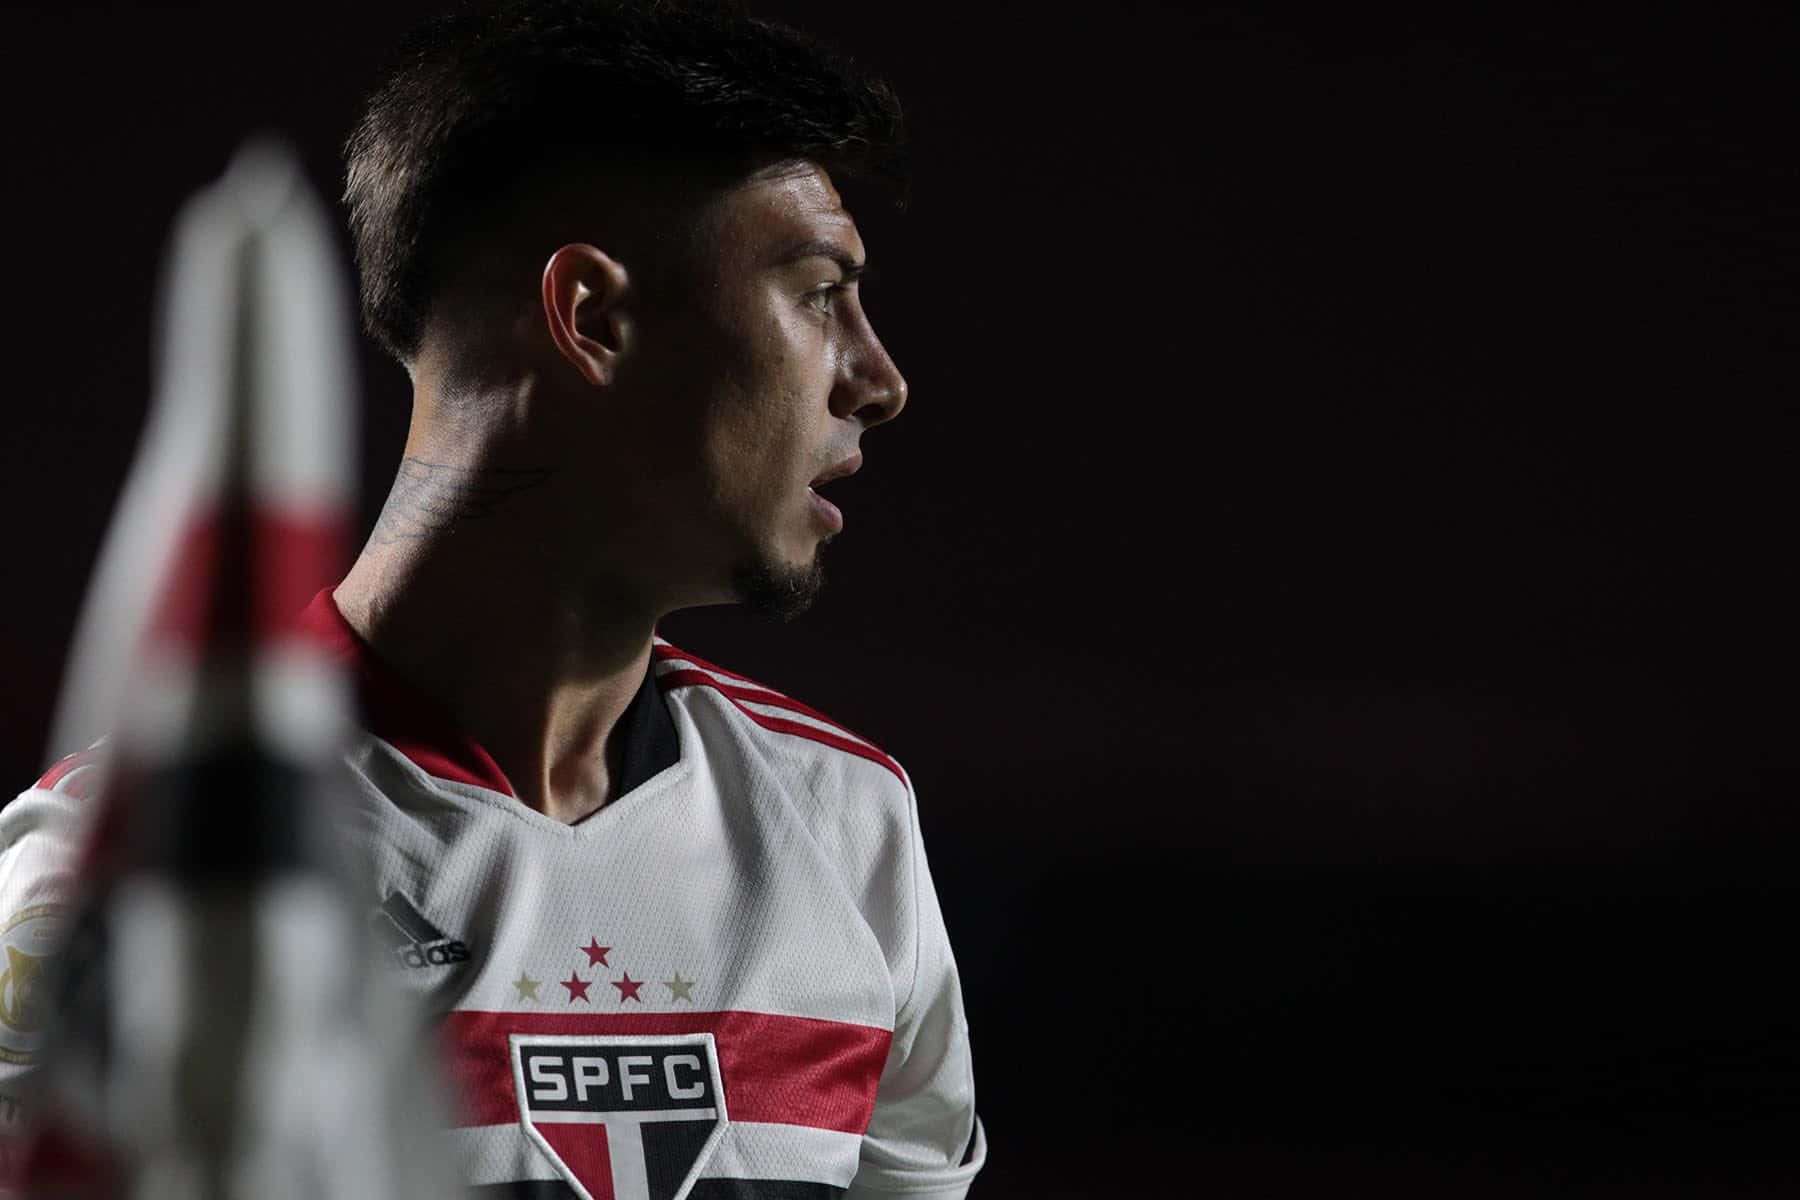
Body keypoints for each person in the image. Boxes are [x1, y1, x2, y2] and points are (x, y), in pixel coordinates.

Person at [2, 1, 985, 1197]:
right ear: (593, 317)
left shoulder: (850, 829)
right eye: (821, 291)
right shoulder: (125, 866)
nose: (878, 378)